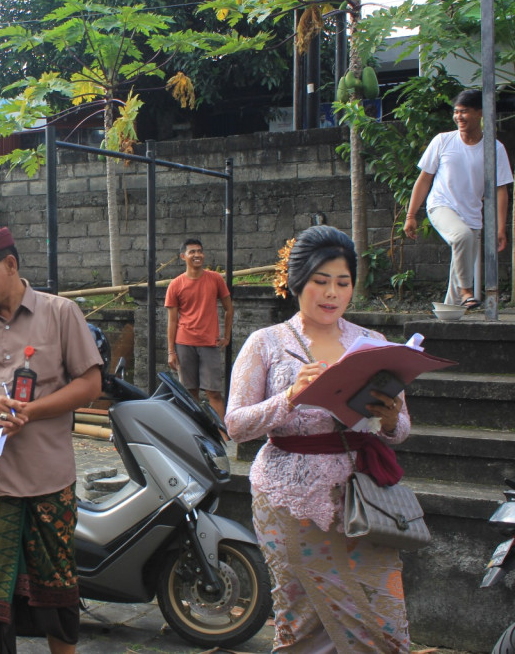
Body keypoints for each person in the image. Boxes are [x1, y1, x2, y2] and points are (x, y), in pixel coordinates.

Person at [225, 225, 412, 652]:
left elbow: (400, 432)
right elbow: (235, 425)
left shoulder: (372, 343)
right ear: (297, 284)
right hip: (287, 497)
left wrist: (390, 417)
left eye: (343, 283)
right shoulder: (266, 344)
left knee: (382, 615)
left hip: (364, 501)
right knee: (303, 618)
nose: (332, 294)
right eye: (321, 282)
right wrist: (289, 397)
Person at [0, 221, 103, 654]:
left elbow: (89, 384)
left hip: (48, 479)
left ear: (10, 264)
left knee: (57, 590)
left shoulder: (60, 313)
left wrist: (31, 411)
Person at [404, 89, 513, 309]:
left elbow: (501, 190)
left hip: (472, 216)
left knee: (458, 267)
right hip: (440, 206)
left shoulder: (495, 149)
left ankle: (446, 321)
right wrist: (411, 215)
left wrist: (501, 229)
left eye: (464, 112)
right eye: (456, 112)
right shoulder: (443, 141)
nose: (458, 117)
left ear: (480, 113)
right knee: (462, 237)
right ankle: (467, 291)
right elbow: (424, 179)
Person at [164, 238, 234, 419]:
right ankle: (196, 431)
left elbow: (229, 309)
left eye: (200, 251)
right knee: (190, 392)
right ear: (183, 257)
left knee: (214, 393)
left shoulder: (215, 279)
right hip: (184, 343)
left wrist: (226, 336)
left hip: (209, 344)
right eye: (192, 252)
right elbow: (172, 321)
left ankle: (223, 435)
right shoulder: (176, 285)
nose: (197, 255)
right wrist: (171, 351)